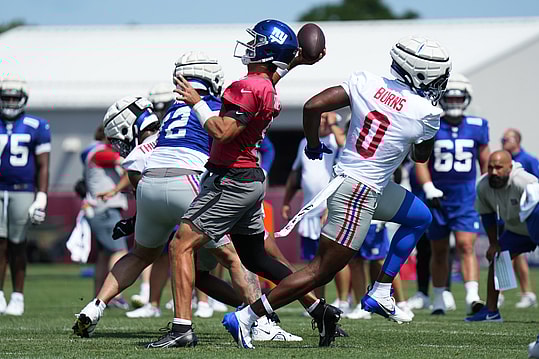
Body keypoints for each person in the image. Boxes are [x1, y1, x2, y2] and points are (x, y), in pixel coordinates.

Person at [228, 35, 451, 349]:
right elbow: (420, 157)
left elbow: (313, 105)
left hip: (366, 185)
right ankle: (248, 317)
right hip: (359, 192)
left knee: (419, 216)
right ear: (421, 73)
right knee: (321, 271)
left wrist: (314, 144)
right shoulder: (424, 112)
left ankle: (381, 291)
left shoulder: (367, 82)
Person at [74, 52, 301, 343]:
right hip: (190, 179)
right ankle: (262, 322)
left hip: (150, 183)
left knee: (141, 255)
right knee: (235, 257)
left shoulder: (170, 113)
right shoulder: (221, 105)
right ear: (213, 79)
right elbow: (235, 123)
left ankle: (96, 306)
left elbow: (136, 169)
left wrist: (138, 216)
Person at [147, 19, 327, 349]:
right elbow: (276, 72)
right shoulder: (266, 84)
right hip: (247, 179)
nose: (250, 46)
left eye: (257, 41)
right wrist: (300, 59)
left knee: (180, 246)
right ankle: (320, 309)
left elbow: (221, 131)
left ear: (268, 51)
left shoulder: (250, 86)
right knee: (257, 259)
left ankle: (181, 328)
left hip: (230, 180)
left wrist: (196, 102)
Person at [415, 73, 489, 315]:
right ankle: (438, 298)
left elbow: (485, 161)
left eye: (459, 99)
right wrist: (427, 187)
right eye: (450, 98)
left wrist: (485, 185)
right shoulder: (432, 124)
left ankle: (472, 297)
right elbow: (421, 161)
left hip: (466, 196)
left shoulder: (478, 126)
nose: (455, 103)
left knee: (466, 245)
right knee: (439, 249)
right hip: (439, 196)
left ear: (466, 99)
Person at [281, 111, 346, 308]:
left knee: (336, 257)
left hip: (330, 208)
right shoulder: (304, 143)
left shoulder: (337, 141)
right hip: (309, 210)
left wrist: (334, 125)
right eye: (322, 118)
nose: (324, 121)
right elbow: (295, 174)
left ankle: (344, 300)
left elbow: (343, 142)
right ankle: (319, 302)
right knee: (313, 261)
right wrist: (286, 201)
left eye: (328, 118)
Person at [466, 150, 539, 322]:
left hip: (536, 225)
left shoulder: (526, 182)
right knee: (497, 256)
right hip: (517, 231)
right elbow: (487, 215)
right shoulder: (483, 185)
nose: (493, 172)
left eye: (499, 167)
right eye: (490, 167)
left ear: (510, 167)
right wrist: (493, 243)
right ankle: (491, 311)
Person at [0, 76, 50, 316]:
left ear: (23, 99)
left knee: (17, 245)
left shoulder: (36, 124)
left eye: (14, 97)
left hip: (22, 190)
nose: (10, 102)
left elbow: (44, 165)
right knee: (0, 245)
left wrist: (42, 196)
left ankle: (17, 296)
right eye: (6, 97)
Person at [501, 128, 539, 308]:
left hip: (527, 216)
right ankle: (499, 295)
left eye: (506, 139)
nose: (503, 142)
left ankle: (527, 293)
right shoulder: (503, 160)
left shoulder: (529, 160)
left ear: (517, 140)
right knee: (505, 254)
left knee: (518, 255)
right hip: (508, 215)